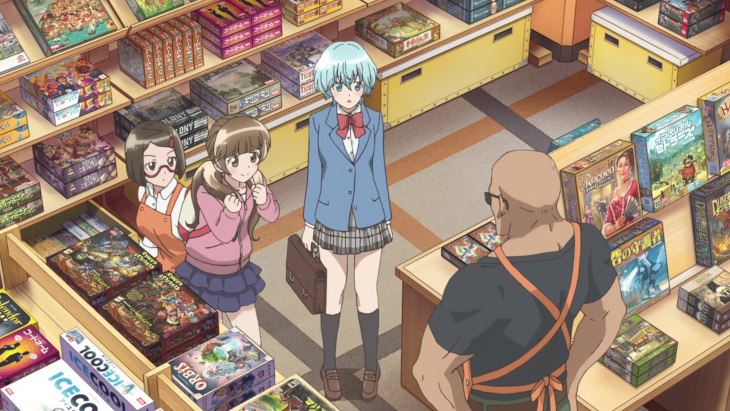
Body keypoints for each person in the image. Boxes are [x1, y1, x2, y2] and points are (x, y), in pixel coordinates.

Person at [412, 150, 626, 411]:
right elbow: (609, 313)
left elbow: (429, 372)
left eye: (491, 198)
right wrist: (571, 381)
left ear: (503, 205)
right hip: (556, 400)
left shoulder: (480, 282)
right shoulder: (588, 242)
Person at [302, 41, 392, 402]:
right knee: (333, 294)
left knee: (367, 292)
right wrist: (309, 222)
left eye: (356, 84)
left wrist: (386, 215)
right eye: (340, 85)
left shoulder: (375, 121)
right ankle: (329, 366)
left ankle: (372, 366)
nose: (350, 93)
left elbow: (379, 170)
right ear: (329, 86)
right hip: (330, 216)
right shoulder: (318, 123)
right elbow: (315, 174)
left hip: (369, 215)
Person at [178, 114, 279, 346]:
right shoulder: (207, 189)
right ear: (219, 161)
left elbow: (273, 215)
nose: (246, 167)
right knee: (211, 337)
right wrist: (231, 212)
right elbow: (223, 235)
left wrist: (264, 200)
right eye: (235, 160)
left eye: (253, 157)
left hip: (238, 270)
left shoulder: (255, 180)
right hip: (204, 270)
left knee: (251, 342)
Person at [125, 121, 188, 273]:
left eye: (170, 161)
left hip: (183, 270)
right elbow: (150, 239)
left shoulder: (184, 200)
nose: (164, 171)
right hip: (156, 261)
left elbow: (197, 249)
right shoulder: (143, 191)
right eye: (152, 165)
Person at [602, 149, 640, 237]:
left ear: (630, 167)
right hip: (617, 236)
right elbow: (607, 222)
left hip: (632, 231)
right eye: (620, 166)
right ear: (617, 170)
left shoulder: (635, 184)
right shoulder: (613, 194)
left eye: (626, 165)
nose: (622, 169)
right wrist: (615, 227)